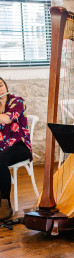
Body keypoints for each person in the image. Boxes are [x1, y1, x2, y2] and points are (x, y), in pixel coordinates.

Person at [0, 77, 32, 220]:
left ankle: (5, 203)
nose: (0, 88)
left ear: (5, 86)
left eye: (0, 85)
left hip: (20, 145)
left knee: (0, 159)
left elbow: (7, 119)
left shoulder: (17, 101)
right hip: (3, 148)